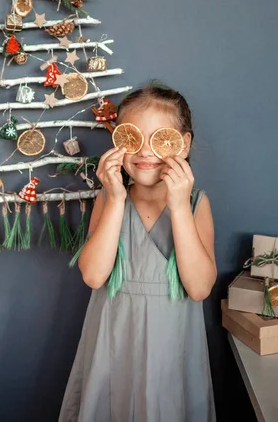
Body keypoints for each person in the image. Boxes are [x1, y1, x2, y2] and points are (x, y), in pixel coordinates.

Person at [59, 82, 217, 422]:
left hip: (171, 352)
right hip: (112, 350)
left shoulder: (196, 204)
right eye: (133, 138)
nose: (145, 152)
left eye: (159, 139)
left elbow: (200, 287)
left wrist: (178, 207)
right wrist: (114, 197)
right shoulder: (108, 200)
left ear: (183, 144)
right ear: (118, 140)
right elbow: (94, 274)